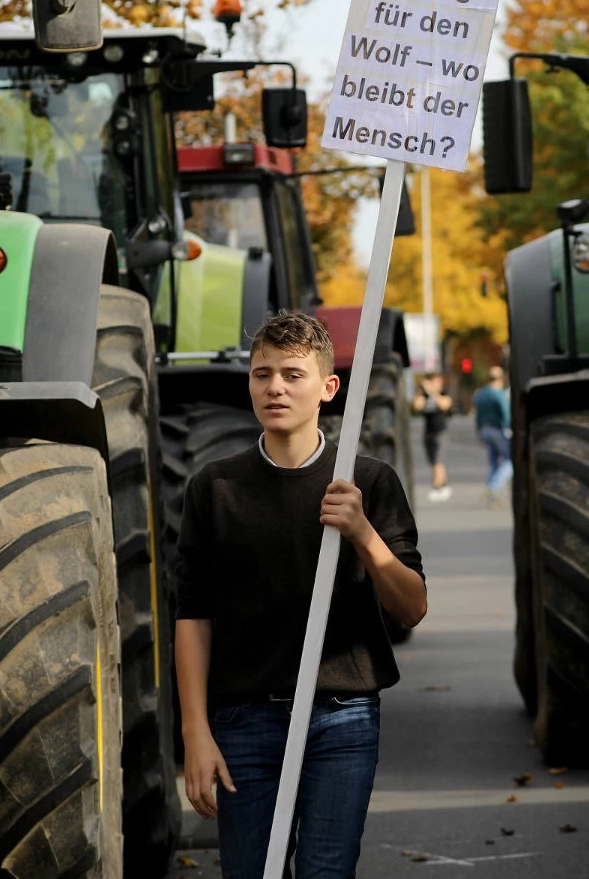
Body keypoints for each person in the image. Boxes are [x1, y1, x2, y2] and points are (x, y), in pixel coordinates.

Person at [175, 310, 427, 879]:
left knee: (326, 872)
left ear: (328, 387)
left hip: (341, 716)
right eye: (262, 374)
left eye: (293, 374)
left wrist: (362, 533)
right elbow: (193, 615)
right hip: (244, 720)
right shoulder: (215, 487)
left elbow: (411, 607)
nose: (276, 388)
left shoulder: (368, 481)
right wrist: (195, 731)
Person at [473, 366, 512, 506]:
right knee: (510, 461)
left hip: (484, 430)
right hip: (497, 430)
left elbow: (477, 416)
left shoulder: (480, 394)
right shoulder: (498, 393)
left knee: (494, 462)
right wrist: (508, 428)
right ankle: (493, 487)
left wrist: (478, 430)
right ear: (501, 379)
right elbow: (505, 413)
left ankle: (491, 497)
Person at [413, 370, 453, 502]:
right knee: (433, 462)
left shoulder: (444, 394)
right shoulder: (425, 395)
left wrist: (432, 392)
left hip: (441, 432)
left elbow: (445, 405)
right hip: (428, 432)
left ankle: (436, 487)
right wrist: (421, 391)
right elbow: (416, 406)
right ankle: (444, 486)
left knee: (438, 461)